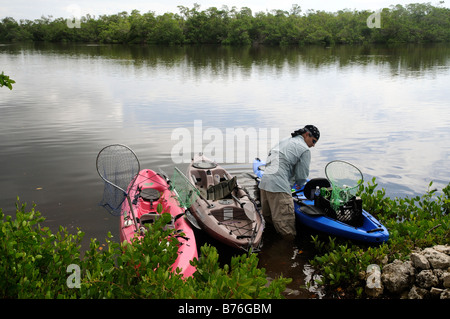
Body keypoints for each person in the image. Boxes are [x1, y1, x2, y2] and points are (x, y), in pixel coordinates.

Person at [259, 125, 320, 239]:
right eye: (313, 141)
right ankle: (287, 253)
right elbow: (302, 176)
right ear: (307, 135)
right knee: (287, 230)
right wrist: (300, 185)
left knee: (269, 221)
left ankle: (268, 248)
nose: (313, 145)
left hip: (264, 184)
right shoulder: (305, 149)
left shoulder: (286, 140)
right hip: (279, 187)